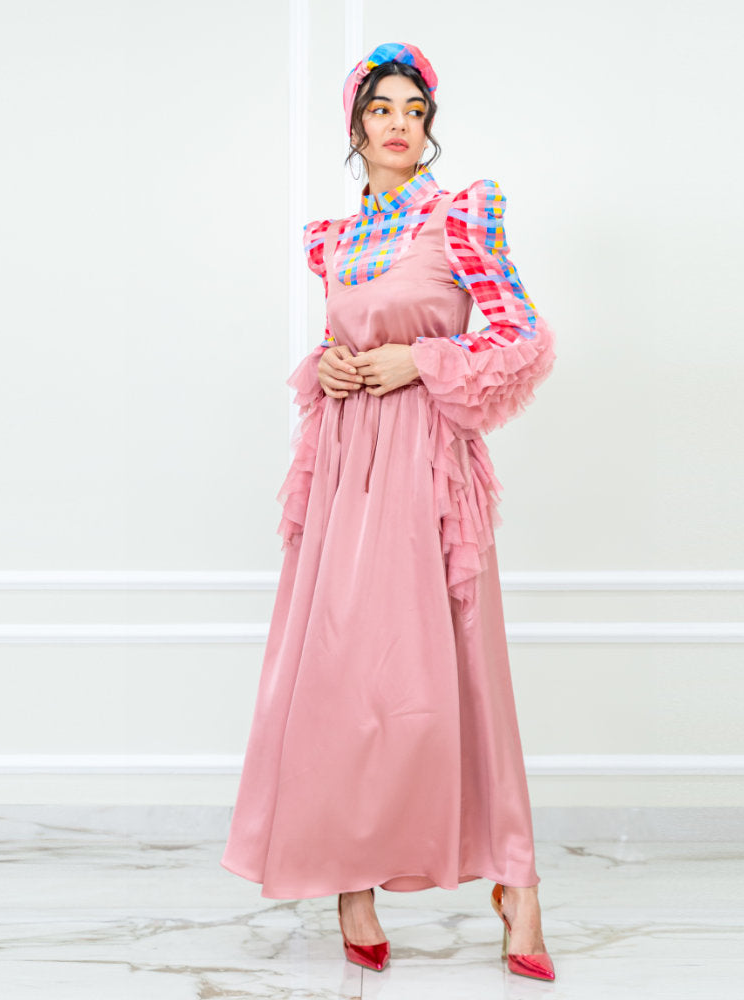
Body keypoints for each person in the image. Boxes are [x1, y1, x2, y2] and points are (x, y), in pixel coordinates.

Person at [220, 41, 557, 982]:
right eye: (381, 110)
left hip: (424, 465)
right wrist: (331, 364)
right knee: (339, 674)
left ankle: (518, 882)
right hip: (344, 468)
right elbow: (344, 337)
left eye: (414, 109)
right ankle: (351, 882)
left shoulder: (462, 216)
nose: (399, 123)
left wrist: (425, 359)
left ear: (428, 125)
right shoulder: (333, 240)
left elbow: (523, 337)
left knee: (458, 668)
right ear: (357, 128)